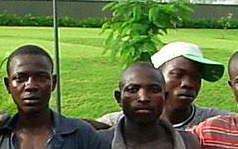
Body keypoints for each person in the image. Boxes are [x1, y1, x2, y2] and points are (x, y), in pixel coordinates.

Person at [98, 41, 230, 130]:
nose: (188, 84)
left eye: (196, 77)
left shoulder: (213, 122)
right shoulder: (118, 124)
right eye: (177, 74)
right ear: (157, 76)